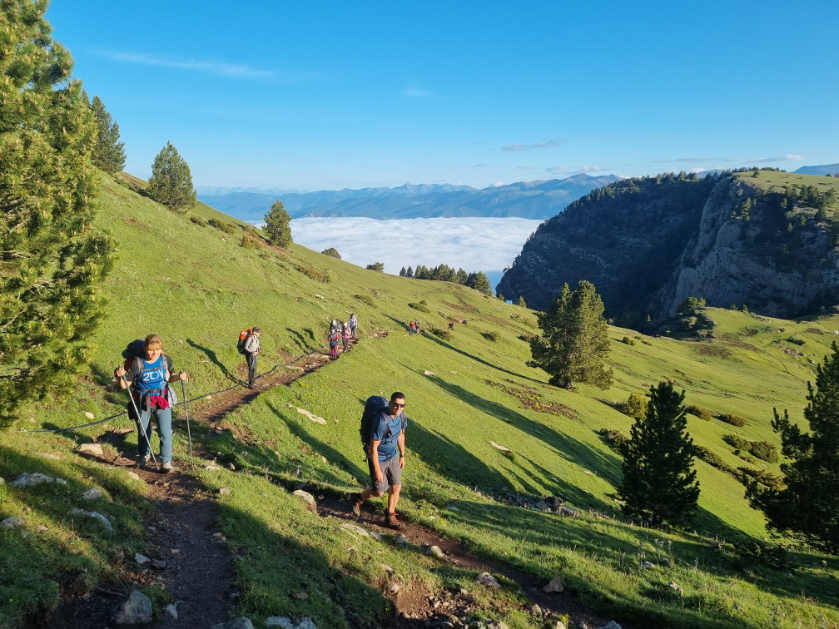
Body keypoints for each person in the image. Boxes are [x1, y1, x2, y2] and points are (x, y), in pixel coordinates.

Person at [115, 334, 187, 473]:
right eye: (151, 349)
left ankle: (166, 462)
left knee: (165, 432)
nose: (154, 353)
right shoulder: (137, 362)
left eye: (157, 349)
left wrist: (179, 377)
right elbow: (125, 385)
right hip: (142, 400)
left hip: (161, 399)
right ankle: (143, 456)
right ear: (145, 348)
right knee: (143, 431)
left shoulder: (166, 360)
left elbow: (170, 378)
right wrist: (120, 377)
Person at [351, 392, 408, 530]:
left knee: (396, 486)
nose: (398, 408)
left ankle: (390, 517)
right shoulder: (381, 421)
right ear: (390, 403)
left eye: (402, 405)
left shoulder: (402, 416)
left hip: (393, 456)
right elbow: (373, 448)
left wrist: (402, 455)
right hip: (379, 458)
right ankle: (358, 498)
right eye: (396, 404)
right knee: (379, 491)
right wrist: (377, 469)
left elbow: (400, 435)